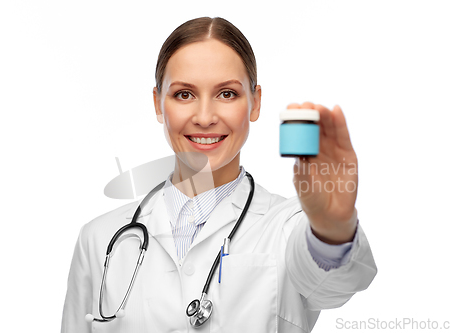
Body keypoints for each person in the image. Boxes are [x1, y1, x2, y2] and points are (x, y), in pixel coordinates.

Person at [61, 16, 377, 333]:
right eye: (184, 94)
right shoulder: (100, 238)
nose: (204, 117)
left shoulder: (289, 226)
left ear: (256, 103)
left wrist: (332, 231)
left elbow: (332, 285)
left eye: (226, 94)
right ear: (158, 104)